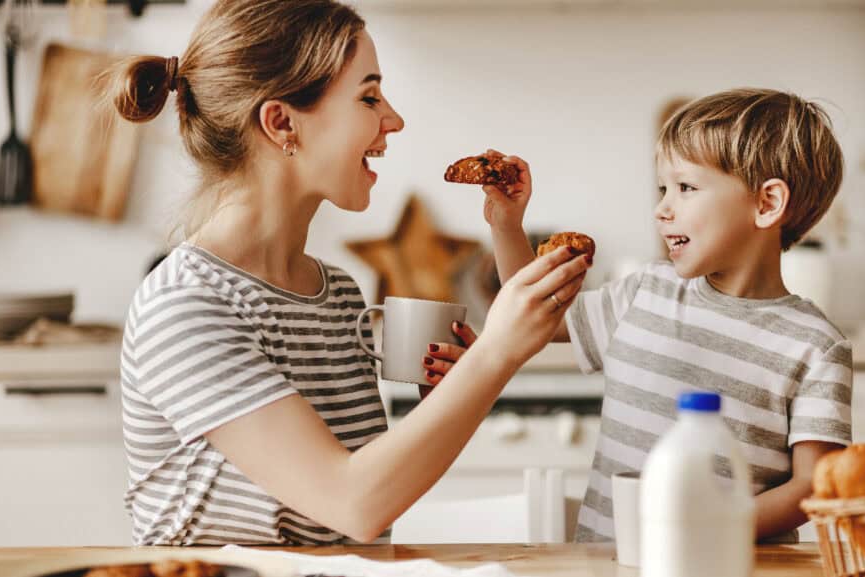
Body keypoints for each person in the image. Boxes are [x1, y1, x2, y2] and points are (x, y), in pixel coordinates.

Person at [109, 0, 589, 545]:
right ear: (282, 122)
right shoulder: (186, 306)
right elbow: (352, 503)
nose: (394, 119)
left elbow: (355, 512)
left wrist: (455, 394)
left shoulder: (333, 292)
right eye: (368, 97)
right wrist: (496, 354)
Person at [478, 88, 852, 543]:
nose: (662, 209)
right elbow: (530, 312)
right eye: (663, 189)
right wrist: (506, 225)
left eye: (686, 188)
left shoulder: (816, 344)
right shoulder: (643, 294)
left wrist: (705, 532)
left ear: (767, 203)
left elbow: (812, 486)